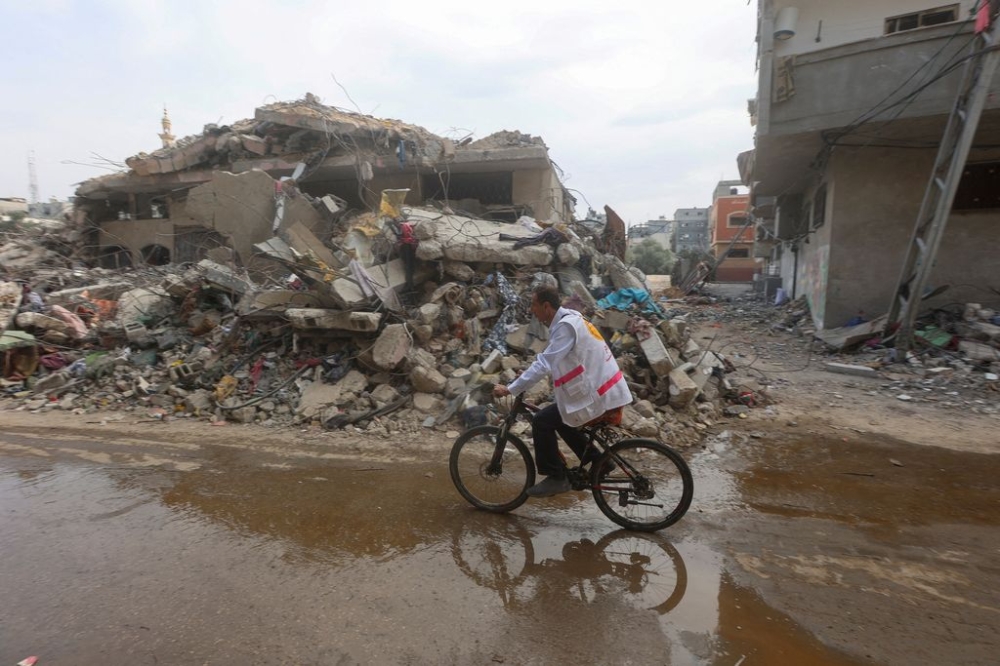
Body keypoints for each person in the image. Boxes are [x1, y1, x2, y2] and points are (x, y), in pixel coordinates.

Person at [493, 285, 632, 497]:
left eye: (534, 305)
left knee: (542, 421)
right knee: (564, 417)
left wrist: (511, 388)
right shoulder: (571, 319)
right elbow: (554, 358)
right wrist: (525, 375)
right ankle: (599, 462)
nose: (532, 310)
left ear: (547, 306)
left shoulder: (565, 327)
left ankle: (556, 476)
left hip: (599, 396)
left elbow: (545, 363)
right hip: (606, 390)